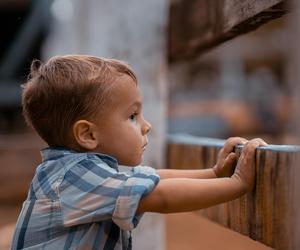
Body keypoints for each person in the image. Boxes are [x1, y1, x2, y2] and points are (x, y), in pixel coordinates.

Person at [11, 55, 267, 250]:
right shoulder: (72, 177)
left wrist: (214, 174)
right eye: (132, 116)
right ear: (88, 135)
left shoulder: (84, 172)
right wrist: (238, 184)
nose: (147, 125)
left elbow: (153, 178)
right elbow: (161, 196)